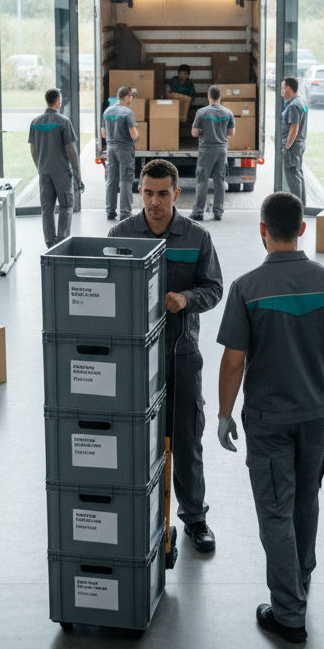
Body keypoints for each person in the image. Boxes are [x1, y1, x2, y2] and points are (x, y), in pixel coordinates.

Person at [216, 192, 324, 643]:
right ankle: (302, 579)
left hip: (268, 419)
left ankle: (289, 614)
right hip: (317, 413)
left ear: (262, 230)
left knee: (275, 511)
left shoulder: (246, 289)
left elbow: (233, 362)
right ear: (301, 229)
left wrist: (223, 414)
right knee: (306, 500)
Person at [109, 158, 223, 554]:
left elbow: (213, 288)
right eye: (147, 193)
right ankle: (137, 512)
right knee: (135, 437)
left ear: (177, 194)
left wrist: (186, 298)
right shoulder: (122, 233)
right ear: (138, 192)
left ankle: (194, 519)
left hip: (181, 355)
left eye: (162, 194)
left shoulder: (197, 238)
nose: (154, 202)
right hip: (133, 358)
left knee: (187, 438)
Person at [28, 88, 82, 249]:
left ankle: (50, 242)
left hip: (44, 172)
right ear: (58, 101)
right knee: (66, 206)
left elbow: (33, 149)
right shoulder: (63, 121)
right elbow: (71, 150)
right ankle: (62, 240)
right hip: (62, 172)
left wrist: (40, 167)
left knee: (47, 209)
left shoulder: (35, 122)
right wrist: (78, 175)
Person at [190, 84, 235, 222]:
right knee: (220, 181)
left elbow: (194, 133)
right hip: (221, 150)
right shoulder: (228, 113)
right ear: (220, 96)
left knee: (202, 180)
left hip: (206, 150)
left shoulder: (201, 113)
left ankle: (198, 211)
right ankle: (218, 212)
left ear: (208, 96)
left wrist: (204, 131)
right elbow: (231, 133)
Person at [102, 85, 139, 222]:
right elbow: (133, 134)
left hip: (111, 148)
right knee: (126, 180)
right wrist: (136, 139)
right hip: (124, 148)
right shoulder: (127, 112)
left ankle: (110, 211)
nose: (131, 99)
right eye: (131, 97)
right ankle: (125, 212)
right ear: (128, 96)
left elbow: (103, 133)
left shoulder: (107, 111)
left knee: (112, 180)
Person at [280, 77, 309, 205]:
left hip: (293, 146)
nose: (281, 91)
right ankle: (302, 205)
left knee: (293, 176)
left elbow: (294, 127)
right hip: (300, 144)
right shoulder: (301, 102)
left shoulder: (293, 106)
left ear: (290, 89)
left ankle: (297, 207)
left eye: (283, 88)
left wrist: (287, 146)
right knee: (298, 173)